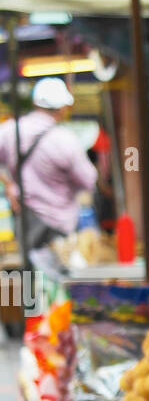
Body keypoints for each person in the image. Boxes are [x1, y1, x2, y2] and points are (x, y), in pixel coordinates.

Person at [0, 76, 97, 267]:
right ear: (62, 108)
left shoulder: (10, 131)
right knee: (55, 283)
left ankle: (32, 297)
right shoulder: (65, 139)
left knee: (31, 278)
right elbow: (89, 179)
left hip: (25, 219)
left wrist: (9, 184)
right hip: (57, 223)